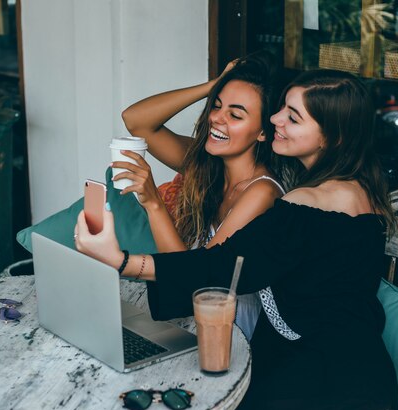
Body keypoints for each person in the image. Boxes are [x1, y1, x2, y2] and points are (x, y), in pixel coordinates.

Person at [75, 69, 398, 410]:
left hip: (326, 386)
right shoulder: (362, 192)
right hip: (361, 375)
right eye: (281, 109)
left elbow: (223, 265)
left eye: (292, 117)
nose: (276, 119)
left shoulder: (307, 203)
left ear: (331, 138)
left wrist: (121, 261)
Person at [114, 51, 286, 339]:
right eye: (216, 106)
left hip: (234, 329)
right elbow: (135, 120)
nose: (216, 118)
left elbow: (195, 279)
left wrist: (153, 203)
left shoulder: (262, 192)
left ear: (262, 133)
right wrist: (214, 84)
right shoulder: (208, 165)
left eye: (235, 115)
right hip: (195, 313)